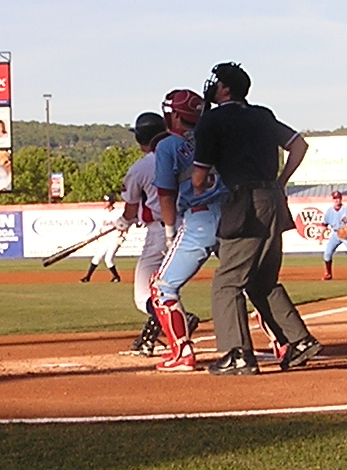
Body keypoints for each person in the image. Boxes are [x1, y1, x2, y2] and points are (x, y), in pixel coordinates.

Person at [190, 61, 322, 375]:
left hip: (243, 201)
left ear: (224, 89)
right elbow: (298, 145)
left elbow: (198, 178)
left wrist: (200, 187)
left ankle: (237, 353)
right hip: (273, 199)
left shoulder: (213, 120)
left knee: (227, 282)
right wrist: (281, 181)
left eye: (217, 83)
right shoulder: (262, 115)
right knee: (262, 281)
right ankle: (299, 341)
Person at [148, 87, 216, 372]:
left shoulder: (167, 146)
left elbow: (165, 192)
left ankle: (182, 352)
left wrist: (169, 231)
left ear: (174, 115)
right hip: (230, 213)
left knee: (161, 286)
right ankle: (282, 343)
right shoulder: (210, 137)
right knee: (248, 283)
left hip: (199, 219)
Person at [119, 111, 170, 355]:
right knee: (168, 286)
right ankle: (148, 338)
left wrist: (122, 222)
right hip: (190, 228)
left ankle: (179, 320)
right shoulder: (181, 155)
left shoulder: (140, 167)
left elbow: (130, 210)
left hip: (160, 233)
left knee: (144, 296)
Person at [82, 197, 123, 283]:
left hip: (115, 238)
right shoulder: (104, 213)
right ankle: (87, 277)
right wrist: (98, 235)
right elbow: (101, 227)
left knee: (108, 259)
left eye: (107, 201)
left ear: (111, 202)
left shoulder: (118, 213)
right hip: (106, 238)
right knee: (96, 257)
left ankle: (116, 277)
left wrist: (122, 237)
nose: (105, 203)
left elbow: (124, 226)